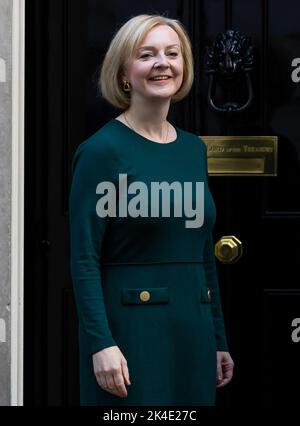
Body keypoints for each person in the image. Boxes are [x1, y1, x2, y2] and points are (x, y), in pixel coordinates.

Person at [69, 14, 234, 406]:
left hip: (191, 333)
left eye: (172, 53)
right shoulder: (101, 152)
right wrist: (100, 343)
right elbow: (84, 257)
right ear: (125, 72)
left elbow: (202, 251)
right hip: (130, 335)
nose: (163, 63)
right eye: (147, 54)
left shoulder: (193, 149)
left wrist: (217, 338)